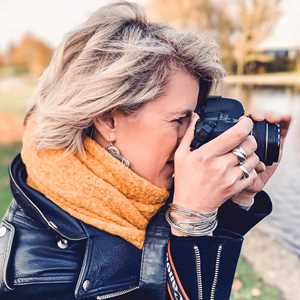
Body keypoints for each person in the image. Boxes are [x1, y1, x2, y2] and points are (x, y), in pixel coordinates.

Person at [0, 1, 292, 300]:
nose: (190, 139)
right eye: (180, 120)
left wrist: (234, 205)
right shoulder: (36, 278)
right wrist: (191, 223)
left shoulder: (125, 198)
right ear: (107, 118)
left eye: (196, 120)